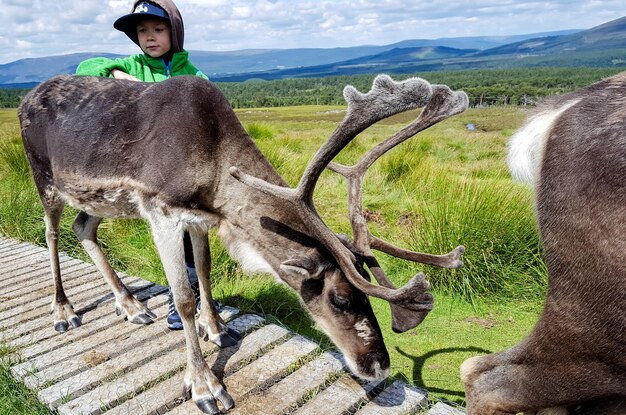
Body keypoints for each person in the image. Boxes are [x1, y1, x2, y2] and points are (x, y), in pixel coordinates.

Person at [76, 0, 211, 330]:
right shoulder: (133, 66)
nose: (150, 37)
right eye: (142, 31)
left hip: (185, 169)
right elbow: (84, 68)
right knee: (172, 235)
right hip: (142, 166)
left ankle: (201, 296)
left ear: (174, 32)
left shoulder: (192, 75)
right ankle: (178, 299)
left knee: (194, 237)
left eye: (159, 29)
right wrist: (117, 74)